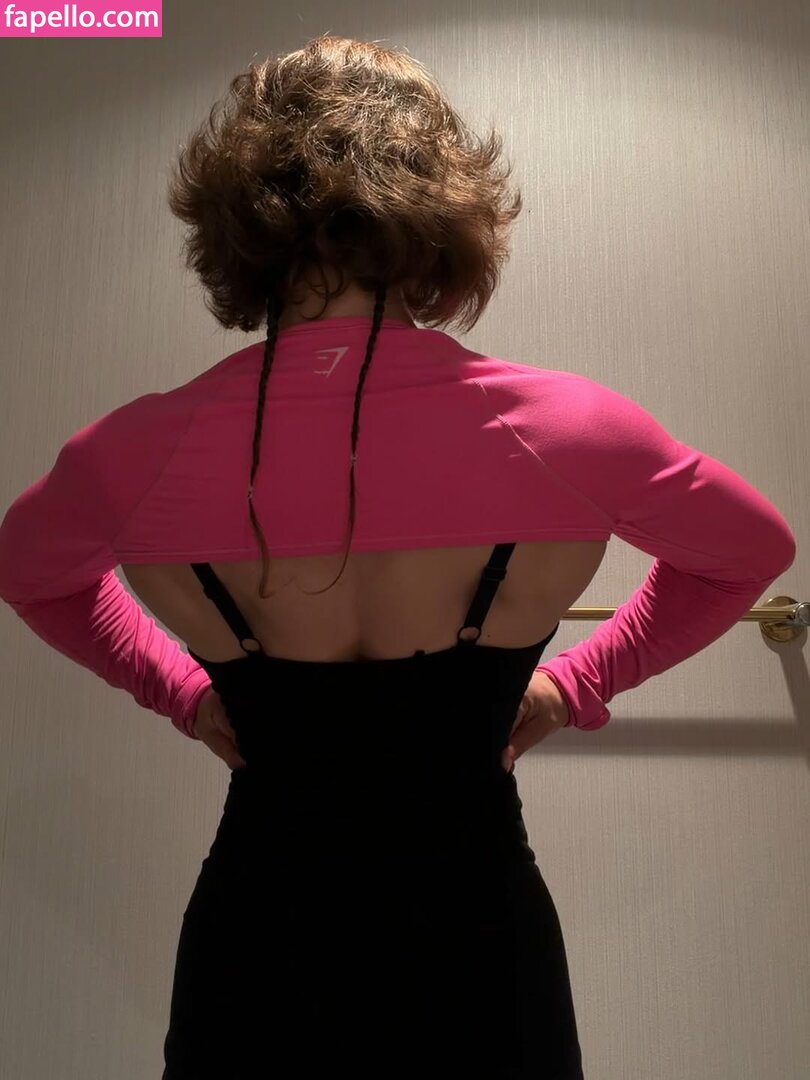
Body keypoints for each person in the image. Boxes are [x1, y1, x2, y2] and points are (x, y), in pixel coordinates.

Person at [0, 34, 796, 1080]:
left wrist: (182, 693)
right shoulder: (565, 431)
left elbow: (28, 574)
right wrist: (578, 684)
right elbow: (749, 553)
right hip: (481, 945)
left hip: (259, 942)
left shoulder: (133, 453)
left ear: (236, 223)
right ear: (440, 213)